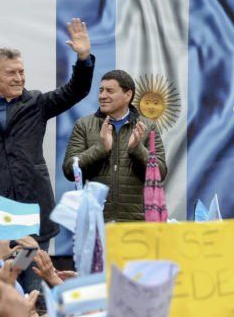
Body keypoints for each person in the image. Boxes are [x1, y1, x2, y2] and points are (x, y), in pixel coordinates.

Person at [0, 18, 94, 291]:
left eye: (21, 72)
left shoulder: (36, 103)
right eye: (11, 73)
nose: (19, 78)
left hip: (31, 213)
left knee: (32, 286)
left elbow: (77, 90)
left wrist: (83, 58)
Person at [62, 69, 167, 222]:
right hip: (95, 222)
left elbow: (161, 173)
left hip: (136, 223)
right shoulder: (83, 125)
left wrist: (137, 149)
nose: (102, 95)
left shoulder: (148, 127)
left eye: (109, 91)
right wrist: (100, 149)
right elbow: (69, 170)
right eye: (101, 90)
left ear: (128, 95)